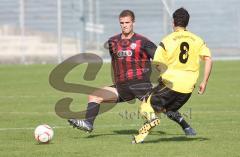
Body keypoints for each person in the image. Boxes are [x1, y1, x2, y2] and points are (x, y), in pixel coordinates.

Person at [68, 9, 195, 135]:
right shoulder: (113, 42)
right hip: (122, 87)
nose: (124, 25)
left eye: (127, 22)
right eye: (122, 23)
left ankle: (186, 127)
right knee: (95, 95)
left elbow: (159, 60)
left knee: (162, 107)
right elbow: (115, 62)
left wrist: (164, 76)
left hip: (140, 85)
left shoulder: (144, 42)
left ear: (133, 22)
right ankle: (88, 124)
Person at [132, 7, 213, 144]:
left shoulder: (167, 40)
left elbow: (157, 64)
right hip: (188, 87)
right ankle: (140, 138)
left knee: (146, 104)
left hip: (172, 83)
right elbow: (208, 59)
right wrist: (204, 82)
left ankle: (152, 121)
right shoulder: (198, 40)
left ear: (173, 22)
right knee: (168, 109)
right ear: (187, 22)